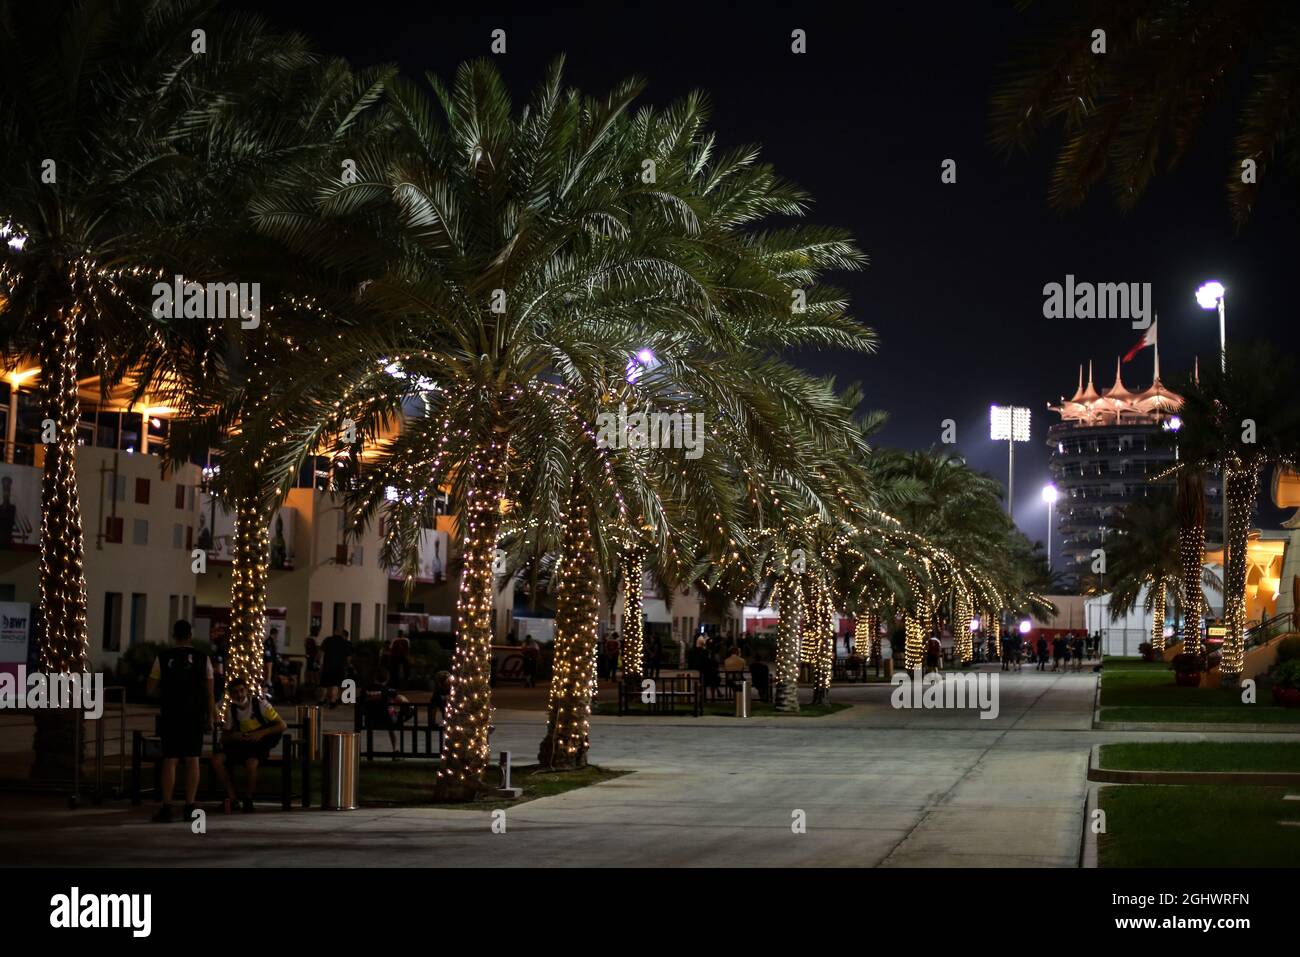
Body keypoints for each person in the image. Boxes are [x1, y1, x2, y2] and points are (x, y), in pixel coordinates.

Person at [147, 620, 214, 823]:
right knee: (193, 758)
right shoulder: (203, 659)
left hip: (171, 714)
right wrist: (210, 717)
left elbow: (149, 689)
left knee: (171, 759)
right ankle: (189, 806)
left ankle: (167, 806)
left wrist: (165, 693)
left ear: (174, 635)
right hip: (194, 715)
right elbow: (209, 693)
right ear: (190, 635)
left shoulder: (163, 658)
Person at [210, 676, 287, 813]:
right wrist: (235, 736)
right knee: (217, 760)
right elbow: (225, 736)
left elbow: (282, 725)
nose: (239, 695)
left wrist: (260, 734)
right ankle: (232, 799)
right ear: (231, 694)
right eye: (235, 692)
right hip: (242, 743)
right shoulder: (231, 710)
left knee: (251, 763)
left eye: (241, 690)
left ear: (246, 691)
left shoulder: (261, 704)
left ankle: (248, 799)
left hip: (259, 743)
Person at [364, 669, 412, 758]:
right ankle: (395, 749)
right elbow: (400, 700)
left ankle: (370, 753)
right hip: (387, 720)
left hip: (370, 720)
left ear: (374, 677)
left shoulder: (365, 689)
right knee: (403, 710)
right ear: (387, 679)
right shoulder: (388, 690)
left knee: (389, 712)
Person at [319, 628, 354, 707]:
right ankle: (333, 701)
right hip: (339, 667)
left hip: (327, 666)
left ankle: (321, 700)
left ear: (334, 632)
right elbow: (348, 657)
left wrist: (318, 662)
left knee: (324, 684)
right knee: (335, 684)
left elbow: (321, 652)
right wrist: (349, 665)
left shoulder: (328, 640)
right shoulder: (345, 643)